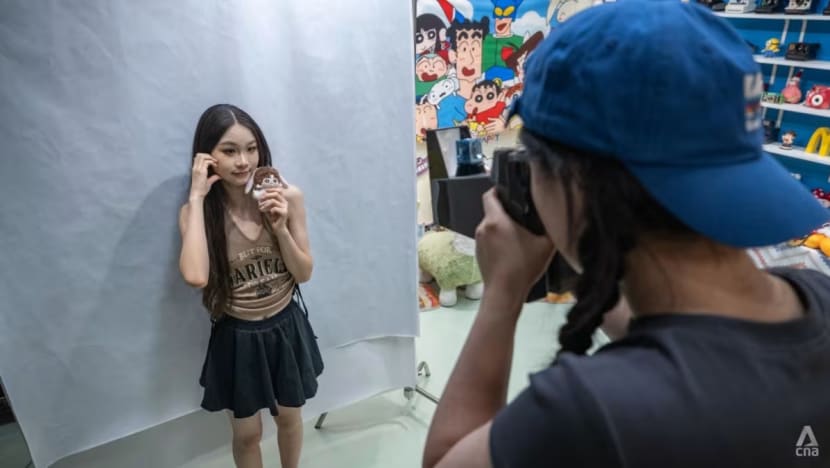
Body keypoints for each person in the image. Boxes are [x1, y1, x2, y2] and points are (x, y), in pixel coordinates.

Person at [422, 2, 830, 467]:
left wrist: (502, 293)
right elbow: (665, 320)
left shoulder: (590, 410)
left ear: (570, 181)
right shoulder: (816, 297)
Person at [178, 104, 324, 468]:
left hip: (285, 326)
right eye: (229, 150)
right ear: (206, 156)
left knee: (289, 418)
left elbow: (304, 273)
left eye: (251, 148)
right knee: (247, 434)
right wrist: (196, 197)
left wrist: (280, 229)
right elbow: (196, 276)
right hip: (237, 334)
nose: (243, 161)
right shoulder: (199, 213)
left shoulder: (287, 197)